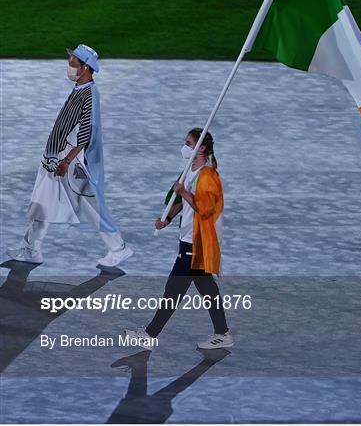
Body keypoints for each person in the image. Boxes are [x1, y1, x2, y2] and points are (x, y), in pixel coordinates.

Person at [7, 44, 133, 267]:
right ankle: (31, 249)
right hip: (54, 160)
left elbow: (85, 133)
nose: (69, 65)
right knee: (41, 203)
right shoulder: (79, 88)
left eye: (73, 62)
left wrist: (66, 161)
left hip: (70, 163)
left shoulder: (90, 94)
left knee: (90, 206)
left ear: (85, 67)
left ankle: (118, 248)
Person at [124, 127, 233, 350]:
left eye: (189, 143)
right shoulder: (187, 171)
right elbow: (178, 203)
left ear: (201, 148)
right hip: (188, 239)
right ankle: (222, 333)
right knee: (206, 288)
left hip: (198, 241)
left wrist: (184, 193)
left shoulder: (209, 176)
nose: (185, 147)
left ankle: (149, 334)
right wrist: (167, 219)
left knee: (174, 289)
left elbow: (204, 209)